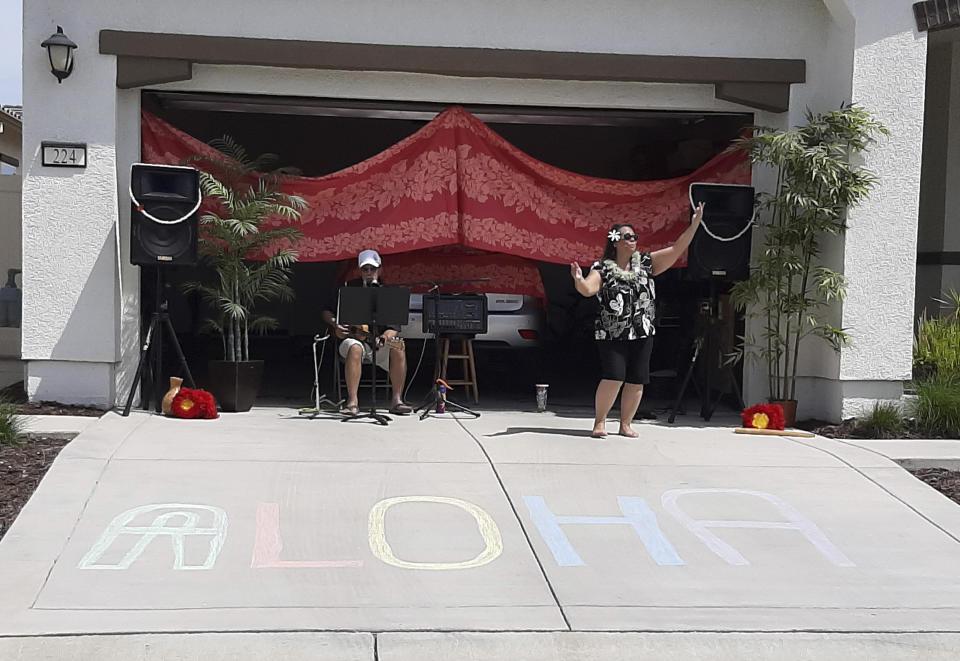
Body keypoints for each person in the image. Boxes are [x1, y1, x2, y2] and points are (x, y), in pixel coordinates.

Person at [570, 202, 705, 438]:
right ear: (615, 241)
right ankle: (600, 422)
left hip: (642, 330)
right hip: (612, 332)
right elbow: (588, 289)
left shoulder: (645, 263)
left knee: (637, 379)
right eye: (627, 236)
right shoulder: (602, 267)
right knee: (614, 376)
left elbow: (677, 249)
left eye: (634, 236)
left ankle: (625, 424)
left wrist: (694, 225)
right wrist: (579, 280)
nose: (633, 240)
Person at [322, 249, 413, 416]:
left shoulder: (388, 292)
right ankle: (352, 402)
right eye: (365, 269)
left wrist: (385, 337)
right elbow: (327, 311)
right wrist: (335, 324)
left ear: (380, 269)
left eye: (373, 269)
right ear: (359, 270)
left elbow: (394, 326)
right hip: (353, 340)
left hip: (378, 342)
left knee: (399, 345)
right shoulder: (348, 288)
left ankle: (397, 400)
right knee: (355, 347)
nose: (369, 273)